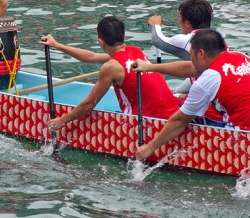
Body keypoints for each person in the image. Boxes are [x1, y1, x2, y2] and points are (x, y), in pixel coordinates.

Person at [135, 29, 250, 161]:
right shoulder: (240, 58)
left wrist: (149, 148)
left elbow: (179, 122)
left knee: (184, 115)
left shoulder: (208, 78)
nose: (191, 59)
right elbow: (190, 68)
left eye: (191, 54)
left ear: (201, 53)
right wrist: (150, 67)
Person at [43, 16, 179, 133]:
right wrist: (57, 45)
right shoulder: (135, 51)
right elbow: (91, 57)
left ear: (100, 42)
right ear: (124, 37)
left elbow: (89, 105)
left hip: (153, 126)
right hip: (174, 118)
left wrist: (61, 121)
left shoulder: (111, 67)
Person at [148, 0, 213, 94]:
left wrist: (155, 25)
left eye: (180, 18)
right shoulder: (217, 39)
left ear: (187, 23)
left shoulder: (189, 40)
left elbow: (158, 40)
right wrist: (176, 92)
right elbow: (197, 74)